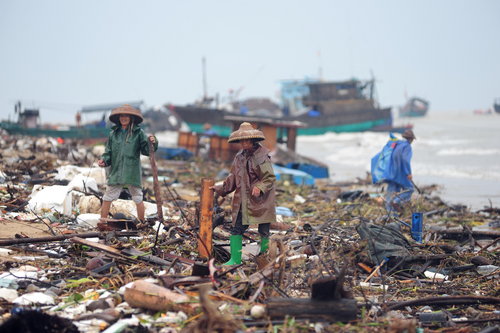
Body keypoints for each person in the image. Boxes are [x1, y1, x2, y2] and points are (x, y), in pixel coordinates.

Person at [211, 122, 276, 265]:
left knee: (264, 230)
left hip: (261, 200)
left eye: (247, 140)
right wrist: (221, 188)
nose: (244, 143)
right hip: (243, 199)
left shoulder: (262, 156)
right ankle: (235, 259)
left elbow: (269, 178)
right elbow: (232, 178)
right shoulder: (239, 156)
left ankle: (264, 257)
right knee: (236, 228)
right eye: (242, 140)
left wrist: (260, 186)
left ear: (253, 140)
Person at [98, 104, 158, 223]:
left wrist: (153, 142)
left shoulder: (138, 133)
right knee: (107, 197)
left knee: (137, 197)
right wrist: (104, 161)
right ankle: (102, 222)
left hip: (132, 172)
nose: (123, 118)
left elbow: (146, 150)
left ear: (131, 118)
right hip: (116, 171)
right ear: (119, 118)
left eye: (126, 116)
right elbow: (108, 152)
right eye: (121, 116)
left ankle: (141, 223)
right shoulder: (113, 134)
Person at [384, 129, 416, 214]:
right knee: (410, 189)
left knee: (390, 192)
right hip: (400, 173)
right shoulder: (407, 146)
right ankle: (396, 201)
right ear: (411, 139)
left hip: (391, 172)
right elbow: (405, 160)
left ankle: (390, 214)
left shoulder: (398, 144)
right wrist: (408, 173)